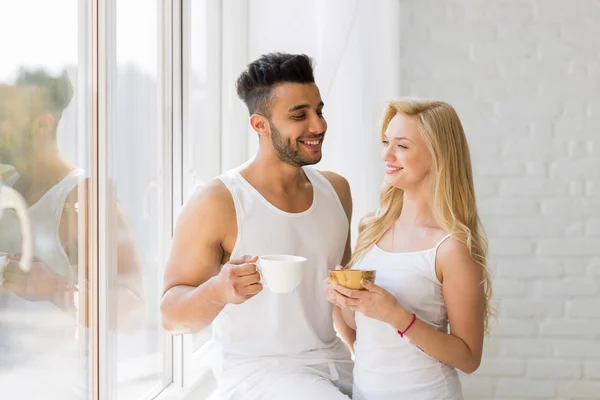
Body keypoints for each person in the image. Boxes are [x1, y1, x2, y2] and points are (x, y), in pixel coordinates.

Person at [161, 52, 355, 400]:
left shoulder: (337, 191)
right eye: (300, 115)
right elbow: (171, 316)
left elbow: (338, 302)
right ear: (260, 125)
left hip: (335, 369)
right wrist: (219, 289)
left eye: (319, 111)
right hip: (260, 377)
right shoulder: (217, 202)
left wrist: (373, 356)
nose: (319, 125)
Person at [326, 99, 493, 400]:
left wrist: (398, 316)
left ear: (437, 155)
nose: (386, 155)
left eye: (401, 146)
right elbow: (358, 329)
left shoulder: (451, 248)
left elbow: (468, 358)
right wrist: (342, 300)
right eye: (386, 142)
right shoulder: (371, 227)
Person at [0, 68, 144, 398]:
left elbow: (134, 310)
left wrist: (54, 287)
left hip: (52, 387)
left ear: (41, 124)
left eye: (3, 115)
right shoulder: (6, 187)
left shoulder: (83, 198)